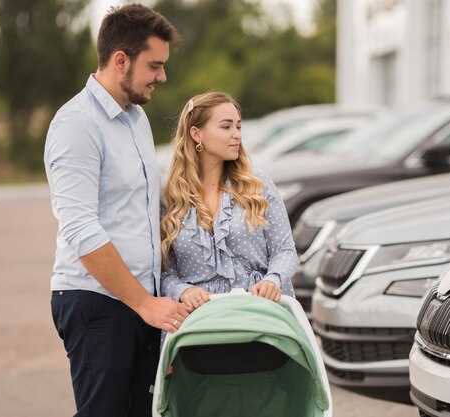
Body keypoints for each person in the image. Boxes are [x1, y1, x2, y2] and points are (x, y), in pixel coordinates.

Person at [44, 5, 189, 417]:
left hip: (142, 301)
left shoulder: (137, 119)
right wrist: (144, 303)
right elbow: (81, 229)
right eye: (154, 66)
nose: (162, 77)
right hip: (98, 303)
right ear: (120, 60)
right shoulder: (76, 124)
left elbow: (149, 211)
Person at [160, 92, 298, 312]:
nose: (236, 135)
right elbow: (163, 272)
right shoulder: (170, 195)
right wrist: (183, 291)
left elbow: (285, 251)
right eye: (226, 127)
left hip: (258, 310)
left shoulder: (257, 184)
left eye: (238, 127)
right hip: (199, 318)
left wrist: (272, 280)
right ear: (197, 134)